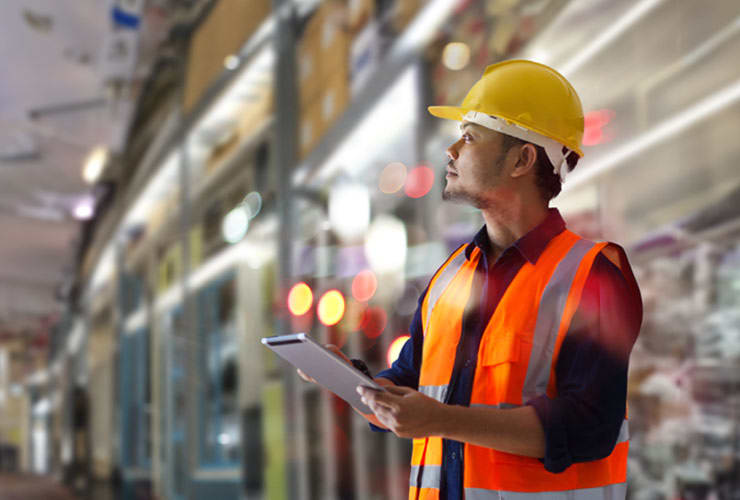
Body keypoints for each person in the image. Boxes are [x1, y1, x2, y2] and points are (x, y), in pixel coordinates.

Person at [301, 59, 642, 500]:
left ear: (522, 159)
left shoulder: (594, 276)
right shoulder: (449, 277)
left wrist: (441, 420)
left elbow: (589, 427)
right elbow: (412, 383)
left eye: (470, 137)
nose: (452, 151)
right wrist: (357, 383)